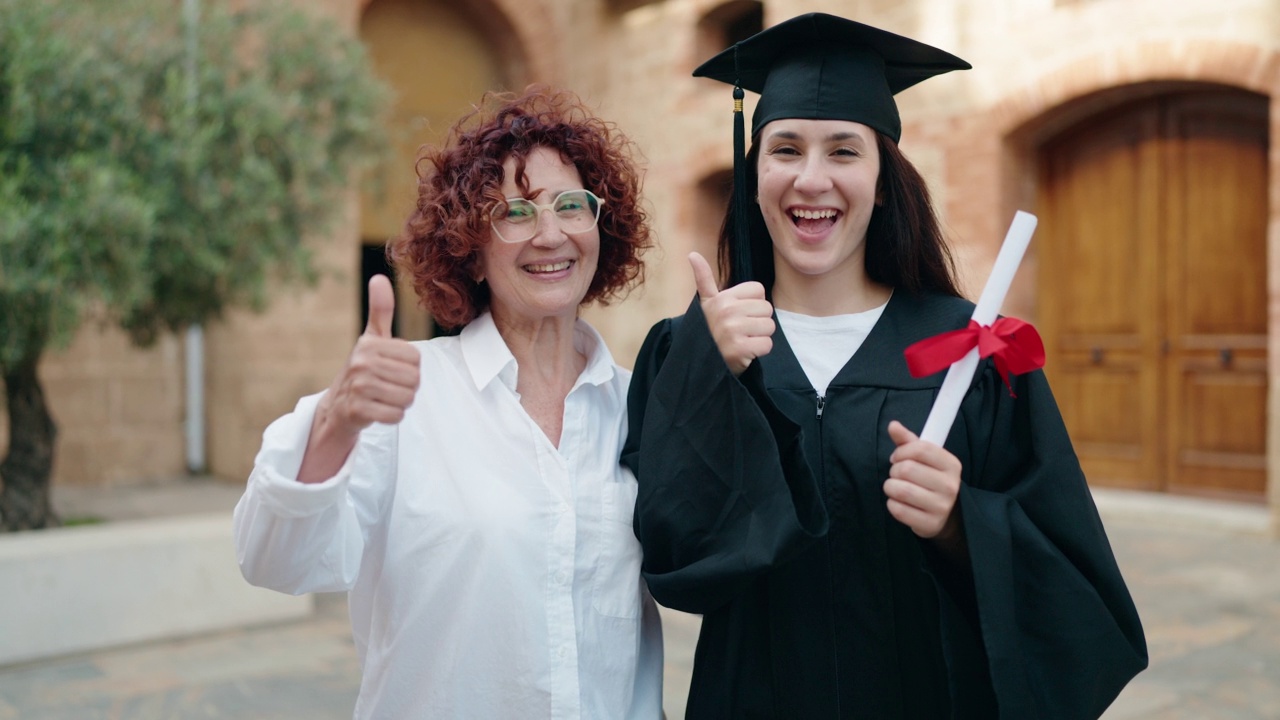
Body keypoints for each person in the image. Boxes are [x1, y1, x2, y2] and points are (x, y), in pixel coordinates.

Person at [623, 13, 1147, 719]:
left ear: (881, 180)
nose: (813, 178)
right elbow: (674, 564)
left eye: (844, 151)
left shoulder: (974, 349)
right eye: (785, 149)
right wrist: (707, 383)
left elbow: (1083, 600)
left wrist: (963, 524)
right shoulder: (689, 350)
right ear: (755, 176)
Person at [234, 86, 663, 719]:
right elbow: (273, 559)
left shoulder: (639, 405)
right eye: (514, 214)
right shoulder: (406, 399)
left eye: (572, 206)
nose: (550, 234)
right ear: (471, 249)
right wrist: (335, 424)